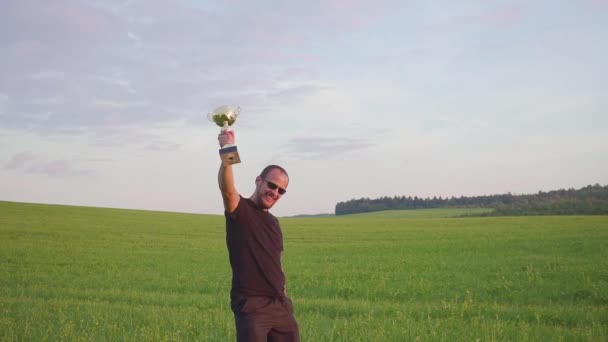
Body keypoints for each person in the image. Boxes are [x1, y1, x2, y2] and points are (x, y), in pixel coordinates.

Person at [217, 129, 300, 342]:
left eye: (281, 190)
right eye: (272, 185)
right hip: (252, 306)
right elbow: (227, 190)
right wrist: (228, 149)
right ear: (258, 181)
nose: (275, 192)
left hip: (280, 306)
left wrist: (284, 295)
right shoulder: (240, 210)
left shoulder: (274, 224)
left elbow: (276, 262)